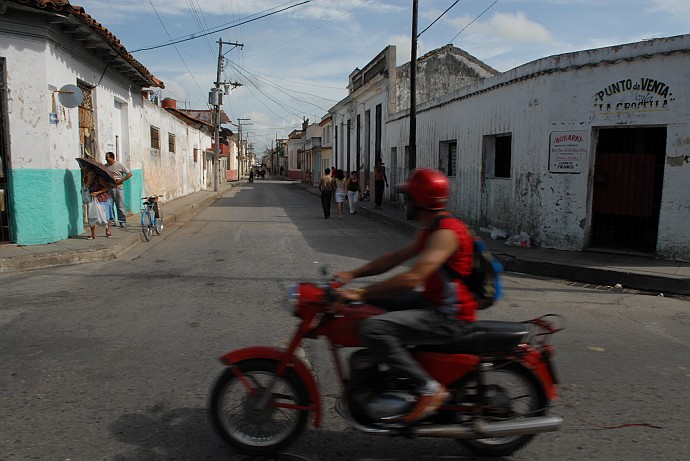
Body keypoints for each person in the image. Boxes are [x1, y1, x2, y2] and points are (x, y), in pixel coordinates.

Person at [335, 168, 477, 424]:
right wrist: (351, 274)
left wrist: (360, 291)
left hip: (449, 316)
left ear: (421, 200)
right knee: (369, 304)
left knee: (374, 328)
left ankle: (429, 389)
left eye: (409, 197)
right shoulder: (431, 229)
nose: (405, 202)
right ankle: (384, 373)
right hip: (432, 303)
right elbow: (394, 258)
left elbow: (412, 278)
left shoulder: (446, 233)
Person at [82, 166, 114, 239]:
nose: (93, 176)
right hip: (92, 200)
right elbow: (84, 189)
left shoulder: (99, 179)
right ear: (87, 174)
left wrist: (98, 192)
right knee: (92, 216)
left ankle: (107, 230)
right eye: (91, 174)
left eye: (94, 174)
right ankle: (93, 234)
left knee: (106, 216)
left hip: (103, 199)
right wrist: (88, 183)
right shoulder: (85, 180)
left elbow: (107, 187)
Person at [105, 152, 132, 227]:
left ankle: (122, 220)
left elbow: (129, 173)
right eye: (106, 158)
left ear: (112, 158)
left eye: (108, 158)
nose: (106, 160)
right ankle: (112, 220)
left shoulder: (119, 165)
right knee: (110, 205)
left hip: (118, 187)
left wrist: (121, 180)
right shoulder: (106, 166)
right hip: (110, 187)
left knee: (120, 205)